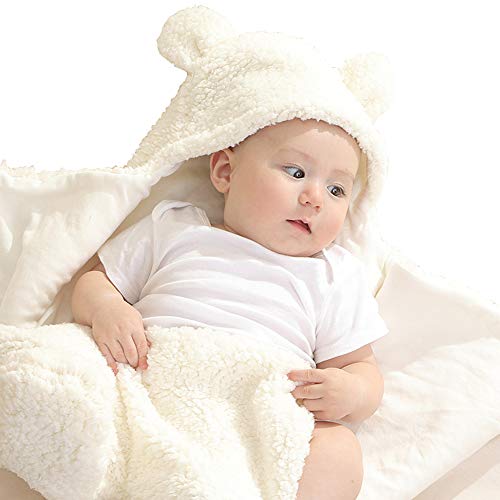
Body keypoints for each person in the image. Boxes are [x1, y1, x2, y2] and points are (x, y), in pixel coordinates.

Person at [72, 116, 389, 499]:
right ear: (225, 171)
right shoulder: (175, 228)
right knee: (67, 374)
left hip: (258, 412)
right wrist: (107, 308)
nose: (314, 198)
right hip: (149, 387)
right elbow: (95, 280)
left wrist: (353, 392)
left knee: (339, 449)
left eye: (336, 189)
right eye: (296, 172)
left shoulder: (332, 275)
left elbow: (361, 366)